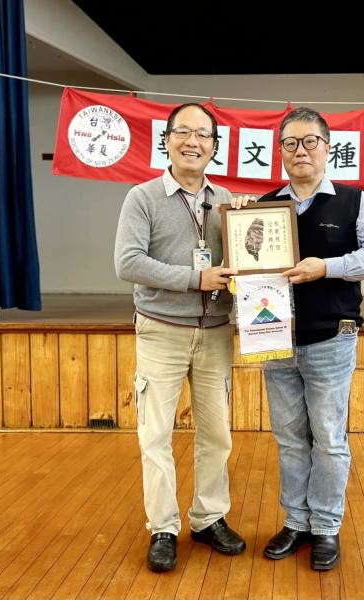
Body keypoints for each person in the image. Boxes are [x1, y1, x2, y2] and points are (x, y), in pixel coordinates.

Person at [235, 107, 364, 570]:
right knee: (288, 439)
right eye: (290, 143)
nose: (300, 150)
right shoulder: (265, 205)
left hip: (331, 338)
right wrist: (242, 221)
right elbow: (246, 266)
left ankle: (326, 527)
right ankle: (296, 522)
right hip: (274, 337)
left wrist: (327, 267)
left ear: (327, 148)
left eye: (310, 142)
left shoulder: (353, 200)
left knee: (327, 438)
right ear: (280, 151)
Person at [114, 103, 246, 573]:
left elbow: (245, 263)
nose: (193, 142)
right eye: (183, 133)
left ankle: (209, 518)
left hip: (215, 335)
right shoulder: (143, 197)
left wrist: (252, 223)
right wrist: (196, 278)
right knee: (156, 435)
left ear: (215, 146)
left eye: (203, 135)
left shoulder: (228, 201)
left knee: (217, 434)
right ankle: (164, 528)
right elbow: (128, 264)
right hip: (161, 332)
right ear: (166, 140)